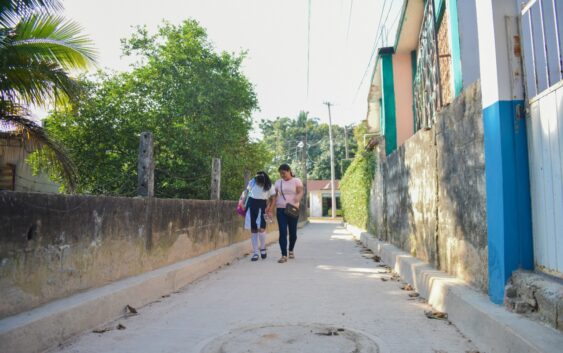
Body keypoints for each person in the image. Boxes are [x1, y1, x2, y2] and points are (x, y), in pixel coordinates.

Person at [239, 171, 276, 261]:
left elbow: (273, 198)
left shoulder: (269, 185)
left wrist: (270, 208)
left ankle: (262, 248)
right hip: (251, 205)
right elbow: (246, 192)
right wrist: (242, 202)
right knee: (253, 229)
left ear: (264, 181)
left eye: (260, 182)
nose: (258, 183)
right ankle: (255, 253)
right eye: (257, 182)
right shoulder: (252, 181)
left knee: (262, 228)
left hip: (262, 206)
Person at [271, 164, 304, 263]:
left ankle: (291, 249)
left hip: (293, 209)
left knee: (293, 233)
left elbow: (300, 191)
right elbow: (274, 196)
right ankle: (284, 255)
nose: (282, 175)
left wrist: (298, 196)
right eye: (280, 173)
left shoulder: (296, 181)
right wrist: (270, 208)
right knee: (282, 232)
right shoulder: (278, 182)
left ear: (289, 171)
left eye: (284, 173)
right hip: (281, 209)